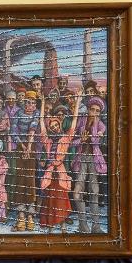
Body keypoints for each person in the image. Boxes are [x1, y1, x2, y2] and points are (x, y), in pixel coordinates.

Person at [38, 96, 81, 231]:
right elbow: (41, 122)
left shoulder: (65, 139)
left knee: (62, 198)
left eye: (56, 125)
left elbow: (74, 121)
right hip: (51, 172)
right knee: (50, 199)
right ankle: (51, 226)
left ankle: (63, 226)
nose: (54, 128)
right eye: (52, 127)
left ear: (59, 125)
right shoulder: (48, 141)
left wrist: (78, 101)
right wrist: (43, 102)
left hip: (60, 171)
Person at [70, 96, 107, 233]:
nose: (95, 113)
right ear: (88, 109)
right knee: (77, 193)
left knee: (94, 192)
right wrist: (81, 140)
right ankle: (83, 226)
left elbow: (97, 142)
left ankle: (96, 227)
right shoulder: (81, 121)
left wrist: (92, 136)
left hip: (94, 160)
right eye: (92, 109)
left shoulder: (101, 125)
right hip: (81, 159)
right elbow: (70, 142)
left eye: (98, 111)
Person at [10, 91, 40, 232]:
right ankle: (21, 214)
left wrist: (28, 147)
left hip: (31, 146)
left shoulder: (36, 113)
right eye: (28, 102)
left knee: (31, 178)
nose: (30, 105)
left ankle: (30, 214)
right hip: (20, 147)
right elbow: (13, 132)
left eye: (33, 103)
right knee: (20, 178)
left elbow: (33, 129)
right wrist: (22, 146)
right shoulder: (17, 113)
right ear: (24, 102)